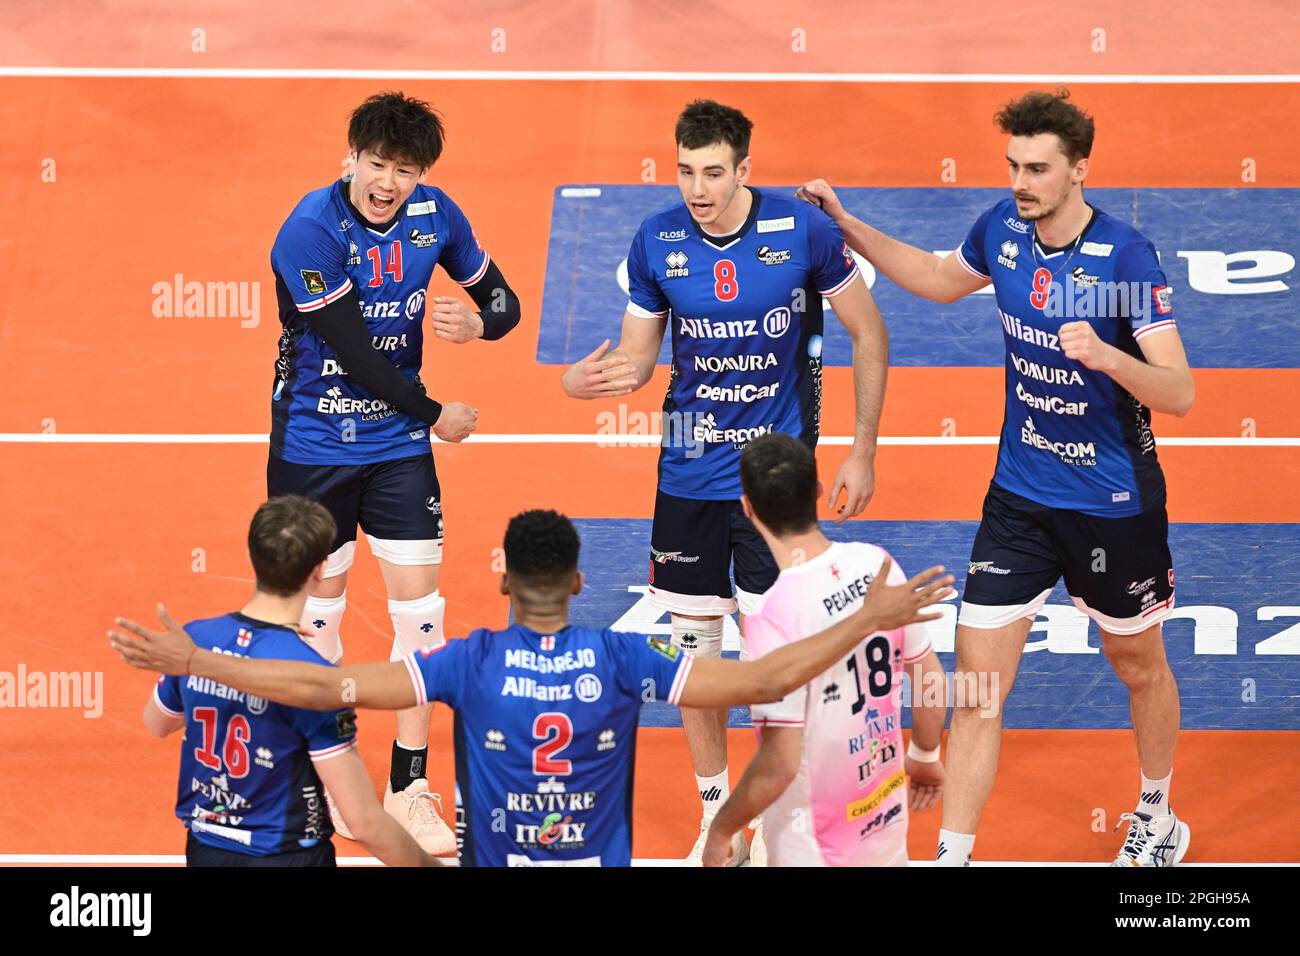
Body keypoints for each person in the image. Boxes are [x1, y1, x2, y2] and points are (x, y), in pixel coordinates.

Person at [797, 88, 1194, 867]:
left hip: (1112, 505)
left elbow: (1179, 392)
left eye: (1038, 168)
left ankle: (1157, 814)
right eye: (1013, 165)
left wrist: (1109, 356)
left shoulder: (1125, 258)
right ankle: (951, 855)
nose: (1022, 181)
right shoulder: (1004, 231)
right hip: (1018, 499)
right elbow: (941, 279)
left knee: (1138, 665)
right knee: (979, 689)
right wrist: (848, 227)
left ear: (1080, 169)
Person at [113, 510, 954, 867]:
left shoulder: (464, 663)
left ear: (506, 583)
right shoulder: (625, 659)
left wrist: (200, 663)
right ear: (582, 581)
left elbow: (319, 680)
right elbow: (772, 675)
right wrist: (871, 616)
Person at [561, 99, 889, 863]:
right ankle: (722, 820)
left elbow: (869, 331)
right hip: (685, 477)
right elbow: (641, 363)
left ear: (745, 168)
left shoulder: (801, 232)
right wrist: (593, 384)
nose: (698, 189)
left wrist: (862, 448)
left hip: (774, 484)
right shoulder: (658, 240)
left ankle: (793, 810)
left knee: (789, 659)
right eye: (685, 171)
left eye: (713, 172)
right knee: (694, 662)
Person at [267, 91, 521, 852]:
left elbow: (504, 302)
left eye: (404, 169)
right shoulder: (310, 232)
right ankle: (322, 777)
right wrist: (438, 410)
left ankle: (408, 786)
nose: (388, 182)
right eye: (377, 164)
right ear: (349, 158)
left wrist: (481, 323)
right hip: (313, 445)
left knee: (423, 619)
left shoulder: (435, 215)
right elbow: (354, 352)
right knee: (317, 616)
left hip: (398, 450)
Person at [138, 496, 438, 867]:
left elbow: (156, 722)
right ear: (318, 571)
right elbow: (364, 823)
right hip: (288, 855)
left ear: (254, 557)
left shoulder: (195, 642)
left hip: (206, 851)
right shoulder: (313, 680)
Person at [703, 434, 947, 867]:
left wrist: (721, 827)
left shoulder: (771, 619)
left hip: (813, 844)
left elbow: (779, 761)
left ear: (747, 508)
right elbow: (928, 676)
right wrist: (925, 755)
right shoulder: (877, 564)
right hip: (885, 827)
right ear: (817, 492)